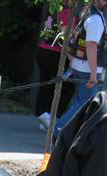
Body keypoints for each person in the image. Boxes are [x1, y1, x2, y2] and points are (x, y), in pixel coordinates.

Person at [54, 0, 107, 135]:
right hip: (87, 70)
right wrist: (93, 73)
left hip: (80, 66)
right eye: (105, 0)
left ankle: (65, 133)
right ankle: (59, 132)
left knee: (80, 101)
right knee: (84, 104)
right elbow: (91, 45)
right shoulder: (95, 19)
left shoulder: (89, 13)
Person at [34, 1, 74, 131]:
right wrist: (71, 59)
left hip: (43, 50)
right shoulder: (67, 12)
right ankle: (53, 119)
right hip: (56, 53)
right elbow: (65, 37)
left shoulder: (53, 11)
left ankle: (43, 115)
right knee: (67, 87)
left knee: (47, 85)